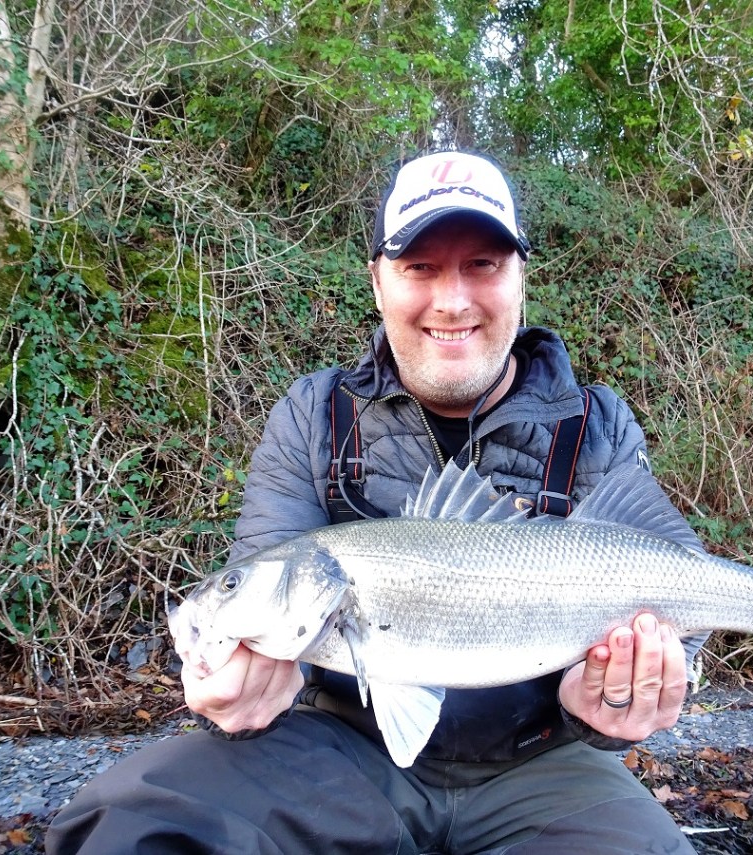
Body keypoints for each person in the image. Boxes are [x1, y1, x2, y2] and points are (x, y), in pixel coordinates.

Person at [47, 151, 699, 854]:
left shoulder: (598, 423)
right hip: (339, 755)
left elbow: (678, 598)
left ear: (520, 278)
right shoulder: (313, 414)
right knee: (131, 820)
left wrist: (608, 707)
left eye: (482, 264)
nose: (452, 300)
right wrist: (245, 692)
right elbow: (265, 591)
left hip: (544, 765)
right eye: (420, 267)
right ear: (378, 282)